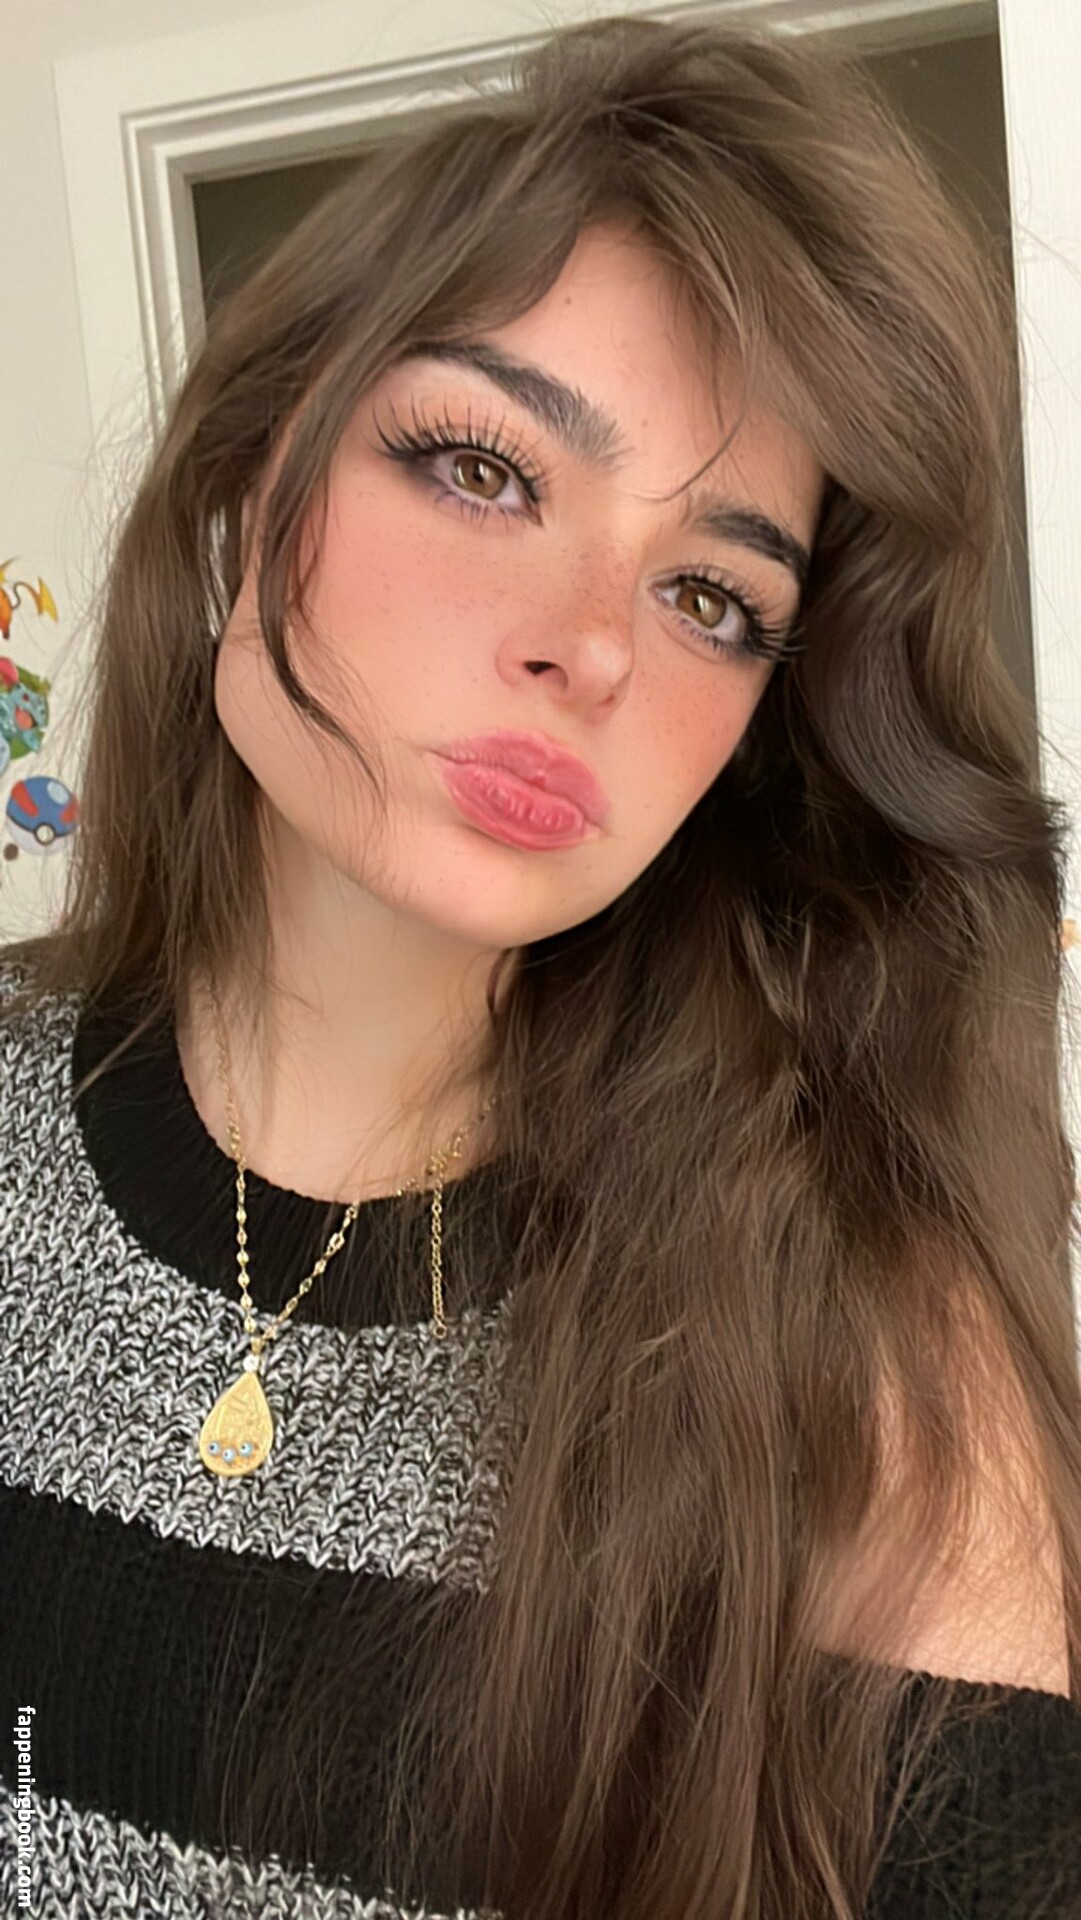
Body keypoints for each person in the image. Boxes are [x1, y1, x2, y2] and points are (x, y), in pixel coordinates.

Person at [0, 11, 1079, 1918]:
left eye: (710, 595)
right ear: (249, 485)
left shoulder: (851, 1331)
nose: (590, 645)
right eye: (482, 469)